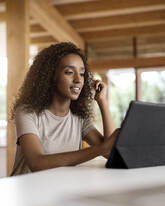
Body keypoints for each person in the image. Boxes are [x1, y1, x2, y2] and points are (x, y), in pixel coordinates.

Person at [10, 42, 118, 176]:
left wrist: (102, 101)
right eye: (69, 72)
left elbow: (110, 152)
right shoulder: (27, 112)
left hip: (58, 191)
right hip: (25, 193)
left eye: (82, 73)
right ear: (51, 76)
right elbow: (37, 163)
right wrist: (101, 149)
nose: (78, 79)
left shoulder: (79, 118)